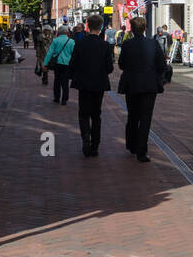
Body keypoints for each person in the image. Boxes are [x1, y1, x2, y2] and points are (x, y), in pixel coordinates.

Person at [118, 16, 168, 163]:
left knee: (132, 115)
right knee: (145, 118)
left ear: (132, 30)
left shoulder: (127, 45)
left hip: (132, 85)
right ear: (145, 29)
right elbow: (162, 65)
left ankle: (131, 144)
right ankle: (142, 151)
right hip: (149, 85)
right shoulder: (153, 44)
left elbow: (121, 64)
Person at [68, 13, 114, 157]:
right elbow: (109, 68)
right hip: (99, 83)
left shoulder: (80, 43)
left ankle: (85, 139)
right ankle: (95, 145)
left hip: (83, 83)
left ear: (87, 26)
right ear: (101, 27)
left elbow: (73, 63)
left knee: (83, 113)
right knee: (96, 114)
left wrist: (74, 75)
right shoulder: (105, 45)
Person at [43, 25, 75, 104]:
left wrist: (45, 64)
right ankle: (64, 99)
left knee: (57, 81)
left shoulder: (55, 40)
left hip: (57, 63)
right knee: (65, 82)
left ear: (58, 32)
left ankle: (56, 98)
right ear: (67, 32)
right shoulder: (71, 41)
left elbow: (49, 53)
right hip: (67, 64)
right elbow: (73, 54)